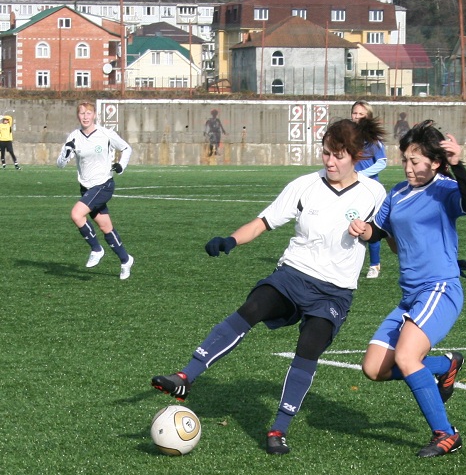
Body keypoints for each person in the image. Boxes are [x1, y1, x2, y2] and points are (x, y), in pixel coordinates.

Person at [151, 118, 387, 455]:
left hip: (335, 291)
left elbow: (385, 233)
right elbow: (264, 222)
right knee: (254, 307)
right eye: (325, 153)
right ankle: (185, 377)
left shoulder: (373, 192)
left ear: (355, 156)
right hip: (293, 275)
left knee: (310, 344)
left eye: (337, 155)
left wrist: (367, 232)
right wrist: (230, 240)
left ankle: (279, 428)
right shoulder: (305, 185)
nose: (329, 162)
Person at [348, 120, 466, 458]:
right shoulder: (397, 193)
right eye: (405, 159)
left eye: (416, 161)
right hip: (411, 295)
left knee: (407, 358)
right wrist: (364, 230)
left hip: (440, 289)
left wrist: (458, 164)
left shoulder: (445, 188)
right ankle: (445, 366)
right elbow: (379, 232)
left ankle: (446, 434)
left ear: (435, 162)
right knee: (374, 368)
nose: (408, 167)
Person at [57, 101, 134, 280]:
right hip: (86, 187)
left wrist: (121, 165)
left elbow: (126, 148)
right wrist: (66, 153)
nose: (85, 116)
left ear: (94, 115)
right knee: (105, 226)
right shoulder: (74, 136)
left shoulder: (105, 134)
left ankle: (96, 249)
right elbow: (60, 164)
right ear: (78, 116)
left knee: (77, 215)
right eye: (82, 113)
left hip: (104, 184)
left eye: (88, 113)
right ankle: (125, 259)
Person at [350, 100, 387, 279]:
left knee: (371, 226)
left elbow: (382, 162)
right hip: (351, 187)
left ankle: (374, 265)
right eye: (354, 113)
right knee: (350, 223)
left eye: (361, 114)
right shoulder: (348, 135)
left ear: (368, 117)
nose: (357, 117)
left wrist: (362, 174)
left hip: (370, 188)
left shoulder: (373, 139)